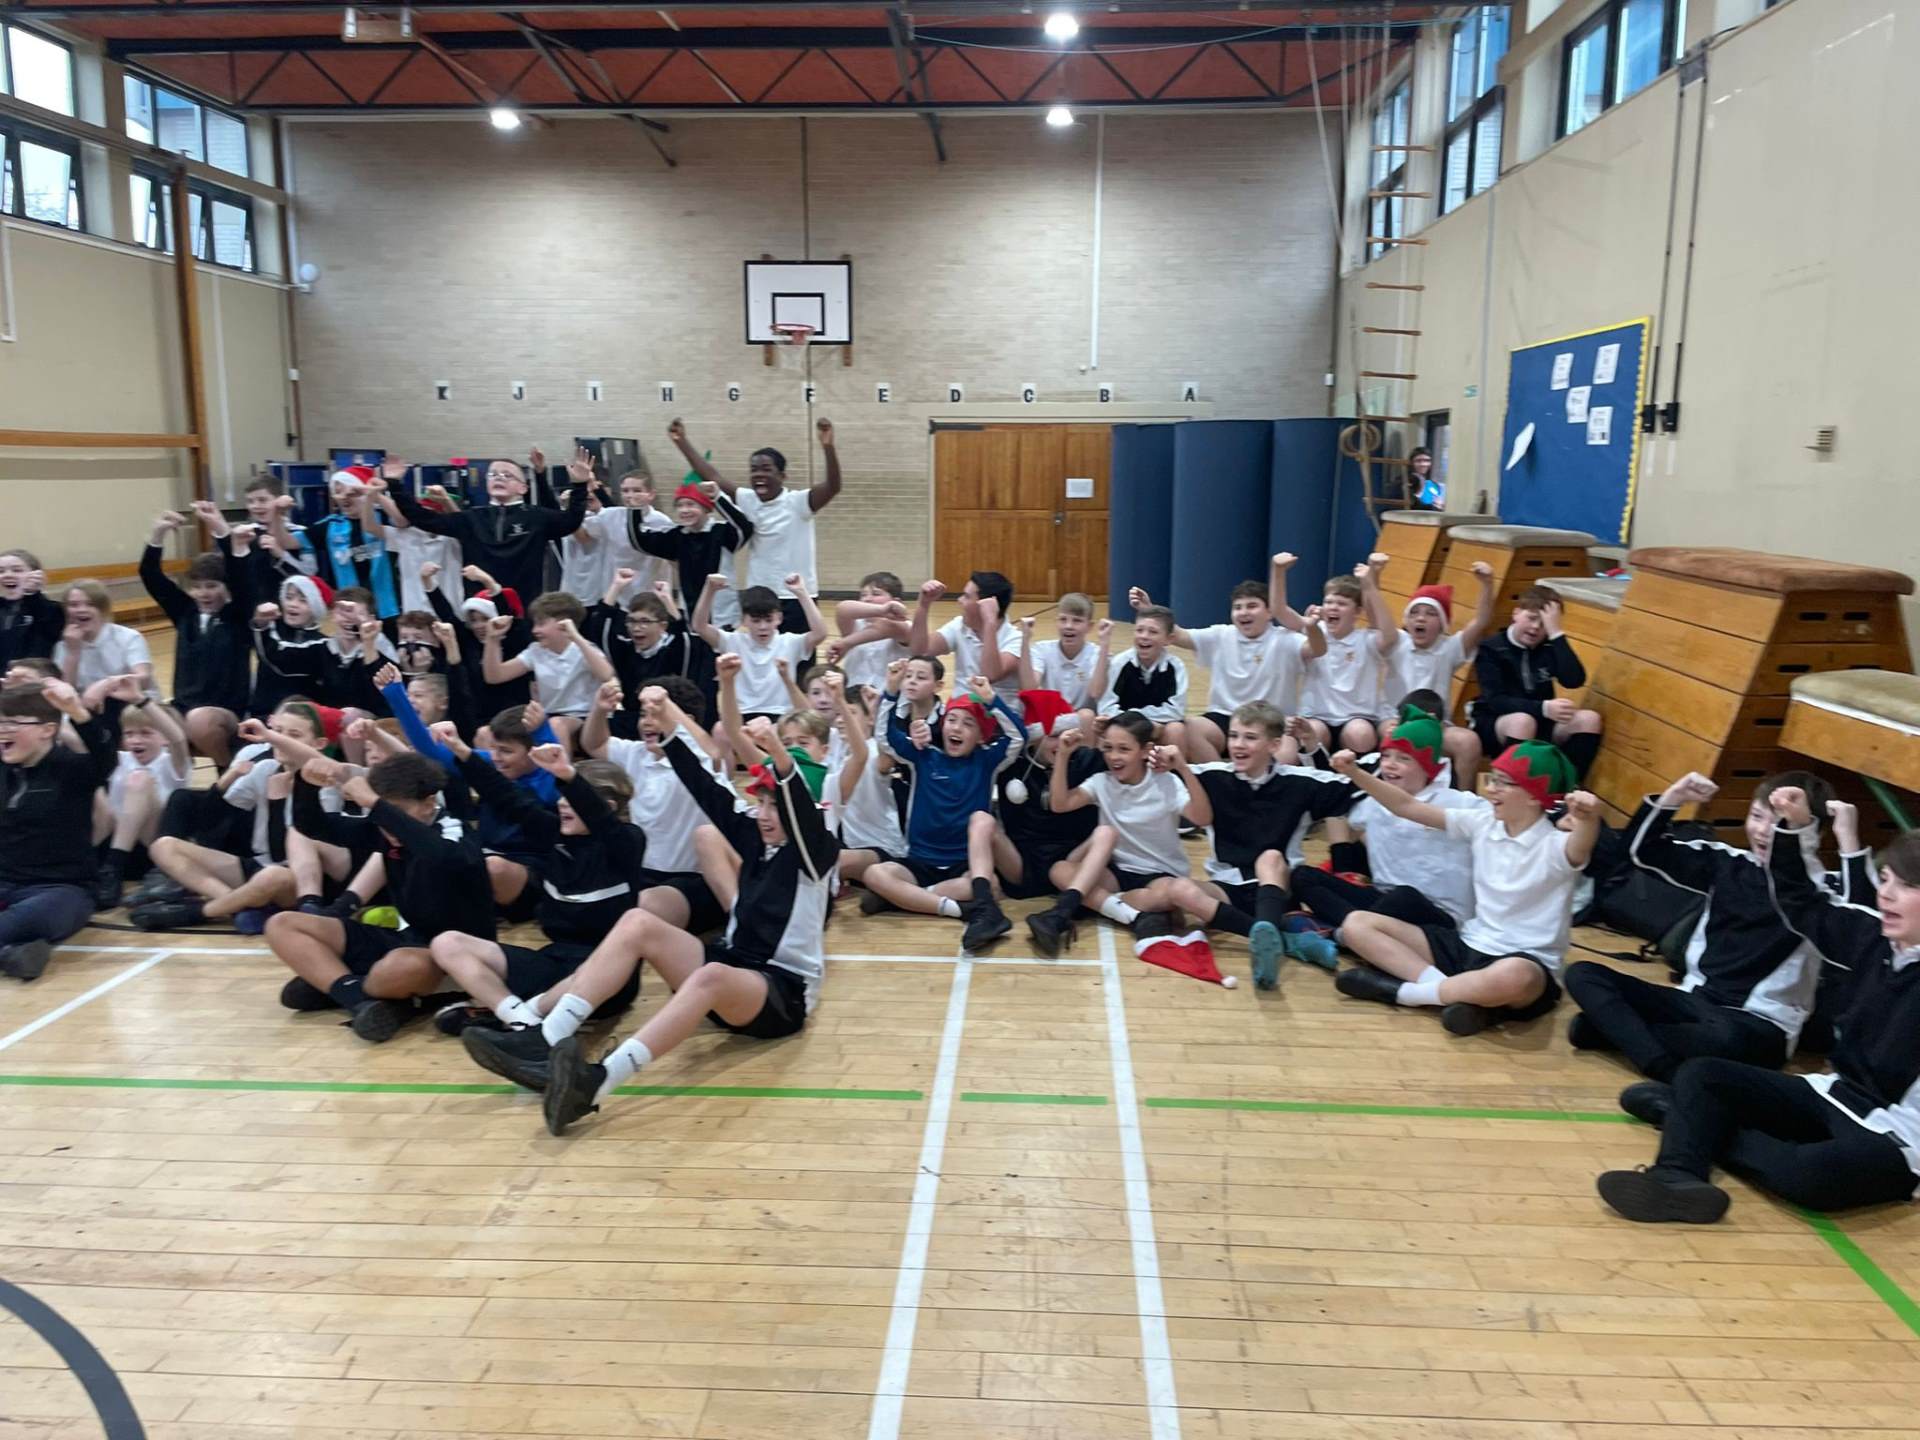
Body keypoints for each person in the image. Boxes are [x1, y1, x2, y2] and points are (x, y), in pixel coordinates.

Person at [489, 711, 841, 1135]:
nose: (763, 814)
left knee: (711, 975)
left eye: (773, 805)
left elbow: (799, 806)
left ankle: (597, 1082)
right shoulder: (758, 836)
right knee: (638, 921)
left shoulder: (817, 851)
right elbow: (706, 789)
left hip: (781, 993)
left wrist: (778, 751)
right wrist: (669, 733)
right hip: (733, 967)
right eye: (760, 802)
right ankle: (546, 1036)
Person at [1594, 791, 1920, 1225]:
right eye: (1885, 880)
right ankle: (1675, 1177)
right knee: (1702, 1074)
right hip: (1833, 1094)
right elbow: (1798, 901)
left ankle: (1690, 1119)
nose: (1886, 895)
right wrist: (1794, 829)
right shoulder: (1869, 936)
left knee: (1808, 1174)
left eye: (1907, 886)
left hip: (1901, 1134)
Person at [1566, 770, 1840, 1084]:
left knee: (1724, 1039)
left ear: (1812, 831)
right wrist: (1672, 799)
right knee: (1583, 974)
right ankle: (1657, 1061)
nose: (1763, 831)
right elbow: (1638, 853)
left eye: (1780, 822)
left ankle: (1621, 1034)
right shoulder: (1728, 862)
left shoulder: (1826, 891)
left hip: (1756, 1024)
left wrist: (1825, 841)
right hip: (1693, 1001)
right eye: (1756, 816)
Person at [1330, 739, 1599, 1036]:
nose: (1491, 788)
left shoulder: (1557, 845)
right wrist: (1355, 772)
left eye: (1504, 782)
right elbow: (1407, 806)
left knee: (1515, 977)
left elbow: (1581, 844)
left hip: (1524, 961)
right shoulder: (1482, 823)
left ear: (1535, 796)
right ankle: (1457, 996)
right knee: (1357, 925)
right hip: (1469, 943)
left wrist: (1588, 818)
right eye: (1492, 779)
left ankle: (1404, 993)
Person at [265, 749, 492, 1041]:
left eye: (396, 811)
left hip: (455, 955)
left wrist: (375, 805)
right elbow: (312, 826)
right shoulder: (386, 830)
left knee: (401, 966)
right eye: (382, 812)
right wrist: (306, 785)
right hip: (405, 939)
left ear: (429, 803)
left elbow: (440, 856)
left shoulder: (453, 831)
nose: (386, 823)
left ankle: (339, 985)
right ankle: (360, 998)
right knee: (282, 924)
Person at [425, 739, 644, 1037]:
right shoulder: (555, 835)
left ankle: (520, 1015)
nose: (562, 802)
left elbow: (604, 823)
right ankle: (521, 1019)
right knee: (447, 943)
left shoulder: (628, 843)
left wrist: (567, 775)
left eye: (571, 797)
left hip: (606, 977)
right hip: (554, 961)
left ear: (606, 807)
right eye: (561, 795)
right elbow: (507, 798)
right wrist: (461, 751)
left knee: (584, 976)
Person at [1155, 702, 1355, 987]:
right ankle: (1282, 939)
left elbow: (1341, 785)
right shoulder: (1211, 775)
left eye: (1250, 737)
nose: (1238, 744)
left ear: (1274, 745)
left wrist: (1311, 744)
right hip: (1228, 887)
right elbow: (1163, 773)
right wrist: (1163, 759)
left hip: (1276, 887)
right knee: (1176, 889)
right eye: (1233, 735)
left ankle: (1271, 928)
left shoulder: (1299, 782)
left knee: (1270, 857)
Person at [1289, 706, 1479, 967]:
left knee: (1404, 896)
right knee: (1302, 876)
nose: (1389, 764)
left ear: (1429, 768)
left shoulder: (1460, 804)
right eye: (1386, 755)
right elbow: (1331, 787)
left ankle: (1342, 935)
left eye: (1403, 758)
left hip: (1437, 916)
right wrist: (1311, 743)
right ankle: (1358, 936)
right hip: (1381, 902)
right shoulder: (1373, 802)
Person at [863, 673, 1024, 951]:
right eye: (952, 720)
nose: (957, 728)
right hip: (919, 862)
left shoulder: (987, 761)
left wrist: (991, 700)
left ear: (981, 736)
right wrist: (890, 691)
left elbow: (1018, 736)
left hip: (961, 864)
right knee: (874, 874)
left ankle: (904, 899)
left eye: (968, 724)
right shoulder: (923, 756)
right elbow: (885, 737)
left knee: (989, 885)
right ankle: (959, 909)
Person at [1033, 713, 1211, 950]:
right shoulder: (1101, 782)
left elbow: (1202, 818)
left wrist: (1184, 769)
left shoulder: (1166, 782)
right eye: (1108, 748)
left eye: (1124, 749)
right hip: (1119, 874)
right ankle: (1133, 914)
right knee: (1059, 870)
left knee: (1166, 896)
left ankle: (1100, 903)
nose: (1113, 756)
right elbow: (1060, 804)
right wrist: (1063, 756)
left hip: (1161, 875)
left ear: (1145, 750)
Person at [1129, 555, 1323, 763]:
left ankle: (1263, 781)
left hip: (1273, 720)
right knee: (1189, 728)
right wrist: (1149, 610)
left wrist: (1310, 626)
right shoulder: (1221, 635)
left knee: (1288, 749)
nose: (1243, 612)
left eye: (1252, 606)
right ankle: (1219, 777)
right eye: (1238, 607)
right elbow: (1177, 634)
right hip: (1225, 717)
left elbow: (1317, 649)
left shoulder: (1286, 639)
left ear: (1269, 612)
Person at [580, 675, 733, 933]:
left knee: (642, 910)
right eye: (643, 715)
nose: (647, 722)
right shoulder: (636, 753)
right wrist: (599, 709)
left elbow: (712, 752)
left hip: (692, 880)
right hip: (642, 874)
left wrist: (667, 707)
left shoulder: (702, 762)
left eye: (656, 715)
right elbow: (594, 744)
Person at [671, 417, 841, 635]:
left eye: (766, 469)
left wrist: (828, 447)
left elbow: (833, 486)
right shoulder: (747, 499)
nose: (759, 474)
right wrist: (681, 441)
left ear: (782, 475)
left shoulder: (799, 502)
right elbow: (712, 475)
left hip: (795, 596)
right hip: (759, 595)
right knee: (760, 651)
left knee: (799, 654)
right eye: (754, 470)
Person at [0, 678, 123, 979]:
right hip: (5, 883)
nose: (3, 730)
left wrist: (76, 710)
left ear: (47, 730)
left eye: (13, 723)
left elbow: (105, 756)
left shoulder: (73, 768)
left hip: (62, 890)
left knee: (27, 919)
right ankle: (9, 955)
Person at [390, 449, 591, 610]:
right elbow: (423, 518)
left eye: (507, 475)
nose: (499, 478)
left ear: (522, 488)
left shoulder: (536, 517)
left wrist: (580, 485)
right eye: (493, 474)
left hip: (524, 609)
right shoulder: (471, 518)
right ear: (486, 484)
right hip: (479, 610)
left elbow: (571, 520)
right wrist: (394, 485)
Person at [140, 507, 254, 767]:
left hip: (225, 711)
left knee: (200, 720)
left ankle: (230, 774)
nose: (204, 593)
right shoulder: (185, 613)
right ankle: (175, 783)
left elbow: (241, 577)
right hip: (183, 707)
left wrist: (221, 531)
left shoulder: (238, 616)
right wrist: (158, 533)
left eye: (212, 586)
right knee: (140, 720)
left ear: (225, 588)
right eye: (197, 587)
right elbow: (150, 575)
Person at [1470, 585, 1602, 779]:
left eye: (1544, 623)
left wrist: (1556, 634)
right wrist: (1543, 708)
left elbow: (1574, 680)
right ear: (1516, 613)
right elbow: (1495, 700)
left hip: (1541, 721)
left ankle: (1566, 786)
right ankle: (1510, 783)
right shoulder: (1491, 648)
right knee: (1523, 721)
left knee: (1589, 719)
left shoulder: (1549, 646)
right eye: (1532, 618)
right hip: (1497, 722)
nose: (1535, 628)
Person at [1383, 562, 1497, 786]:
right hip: (1394, 721)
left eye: (1430, 613)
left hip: (1435, 725)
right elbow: (1377, 616)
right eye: (1414, 613)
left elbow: (1481, 621)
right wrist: (1371, 578)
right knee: (1389, 733)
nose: (1421, 618)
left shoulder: (1448, 648)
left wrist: (1487, 584)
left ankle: (1462, 798)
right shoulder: (1397, 642)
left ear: (1443, 624)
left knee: (1469, 742)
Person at [481, 592, 616, 749]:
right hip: (546, 715)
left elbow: (606, 675)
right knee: (485, 734)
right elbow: (495, 676)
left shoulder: (584, 648)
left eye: (541, 623)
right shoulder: (535, 651)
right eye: (534, 624)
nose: (534, 630)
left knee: (556, 725)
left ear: (564, 623)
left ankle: (560, 766)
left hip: (584, 716)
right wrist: (492, 639)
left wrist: (576, 637)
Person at [95, 696, 190, 908]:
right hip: (114, 842)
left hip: (154, 852)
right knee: (93, 788)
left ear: (164, 738)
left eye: (146, 733)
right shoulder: (120, 759)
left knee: (140, 780)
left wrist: (141, 700)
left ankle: (113, 866)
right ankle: (82, 863)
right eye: (129, 734)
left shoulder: (172, 763)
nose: (136, 740)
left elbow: (178, 739)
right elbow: (79, 742)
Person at [587, 572, 711, 735]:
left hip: (670, 719)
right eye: (632, 621)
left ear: (662, 626)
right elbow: (600, 629)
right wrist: (616, 587)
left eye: (645, 621)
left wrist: (667, 599)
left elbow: (685, 638)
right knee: (604, 725)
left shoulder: (673, 649)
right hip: (634, 718)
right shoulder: (626, 650)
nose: (636, 628)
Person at [693, 575, 825, 727]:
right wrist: (709, 590)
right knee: (719, 730)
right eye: (756, 621)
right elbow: (699, 626)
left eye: (768, 620)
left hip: (781, 716)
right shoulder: (732, 641)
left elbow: (820, 633)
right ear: (744, 620)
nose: (763, 627)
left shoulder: (790, 642)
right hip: (742, 715)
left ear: (779, 618)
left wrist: (802, 592)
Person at [1298, 555, 1396, 757]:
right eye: (1328, 602)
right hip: (1318, 715)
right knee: (1312, 732)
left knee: (1361, 734)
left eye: (1342, 603)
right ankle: (1315, 772)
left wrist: (1370, 584)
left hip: (1356, 718)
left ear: (1358, 611)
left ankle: (1355, 774)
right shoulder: (1314, 635)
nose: (1333, 607)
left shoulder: (1366, 639)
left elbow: (1389, 635)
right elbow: (1284, 614)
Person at [631, 477, 752, 631]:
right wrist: (636, 510)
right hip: (691, 615)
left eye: (691, 504)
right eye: (679, 505)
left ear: (706, 508)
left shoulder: (722, 532)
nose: (684, 510)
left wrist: (717, 497)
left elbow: (745, 527)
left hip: (723, 616)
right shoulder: (677, 536)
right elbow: (640, 541)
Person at [910, 572, 1023, 707]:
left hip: (996, 713)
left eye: (967, 596)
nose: (960, 600)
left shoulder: (1015, 639)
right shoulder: (959, 626)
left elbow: (989, 676)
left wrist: (989, 623)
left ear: (986, 605)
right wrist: (923, 605)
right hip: (960, 708)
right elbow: (921, 651)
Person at [1097, 604, 1191, 754]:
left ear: (1169, 639)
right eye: (1139, 630)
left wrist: (1148, 724)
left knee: (1176, 729)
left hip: (1158, 727)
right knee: (1102, 727)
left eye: (1153, 632)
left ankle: (1175, 769)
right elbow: (1106, 707)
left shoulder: (1175, 666)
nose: (1144, 636)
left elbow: (1176, 710)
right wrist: (1137, 721)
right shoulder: (1120, 663)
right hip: (1124, 726)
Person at [1016, 594, 1112, 726]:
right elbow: (1029, 687)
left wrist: (1104, 644)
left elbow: (1095, 692)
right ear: (1056, 622)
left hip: (1082, 724)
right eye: (1063, 619)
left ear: (1089, 626)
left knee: (1087, 716)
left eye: (1077, 621)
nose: (1069, 626)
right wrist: (1025, 639)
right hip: (1051, 719)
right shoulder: (1041, 649)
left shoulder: (1096, 653)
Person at [54, 578, 154, 697]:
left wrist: (105, 685)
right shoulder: (63, 646)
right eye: (73, 605)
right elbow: (65, 694)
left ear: (102, 608)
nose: (81, 609)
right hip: (89, 705)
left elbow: (144, 679)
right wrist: (73, 653)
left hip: (132, 703)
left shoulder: (129, 637)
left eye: (90, 604)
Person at [828, 571, 913, 696]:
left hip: (889, 699)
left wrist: (846, 642)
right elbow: (842, 609)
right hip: (854, 698)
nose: (867, 599)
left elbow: (886, 627)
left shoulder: (906, 626)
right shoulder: (856, 625)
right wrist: (882, 610)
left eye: (876, 594)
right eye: (863, 595)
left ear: (896, 601)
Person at [0, 548, 64, 670]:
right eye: (1, 571)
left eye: (17, 570)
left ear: (36, 575)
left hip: (33, 678)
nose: (8, 575)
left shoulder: (51, 609)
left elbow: (49, 627)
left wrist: (32, 594)